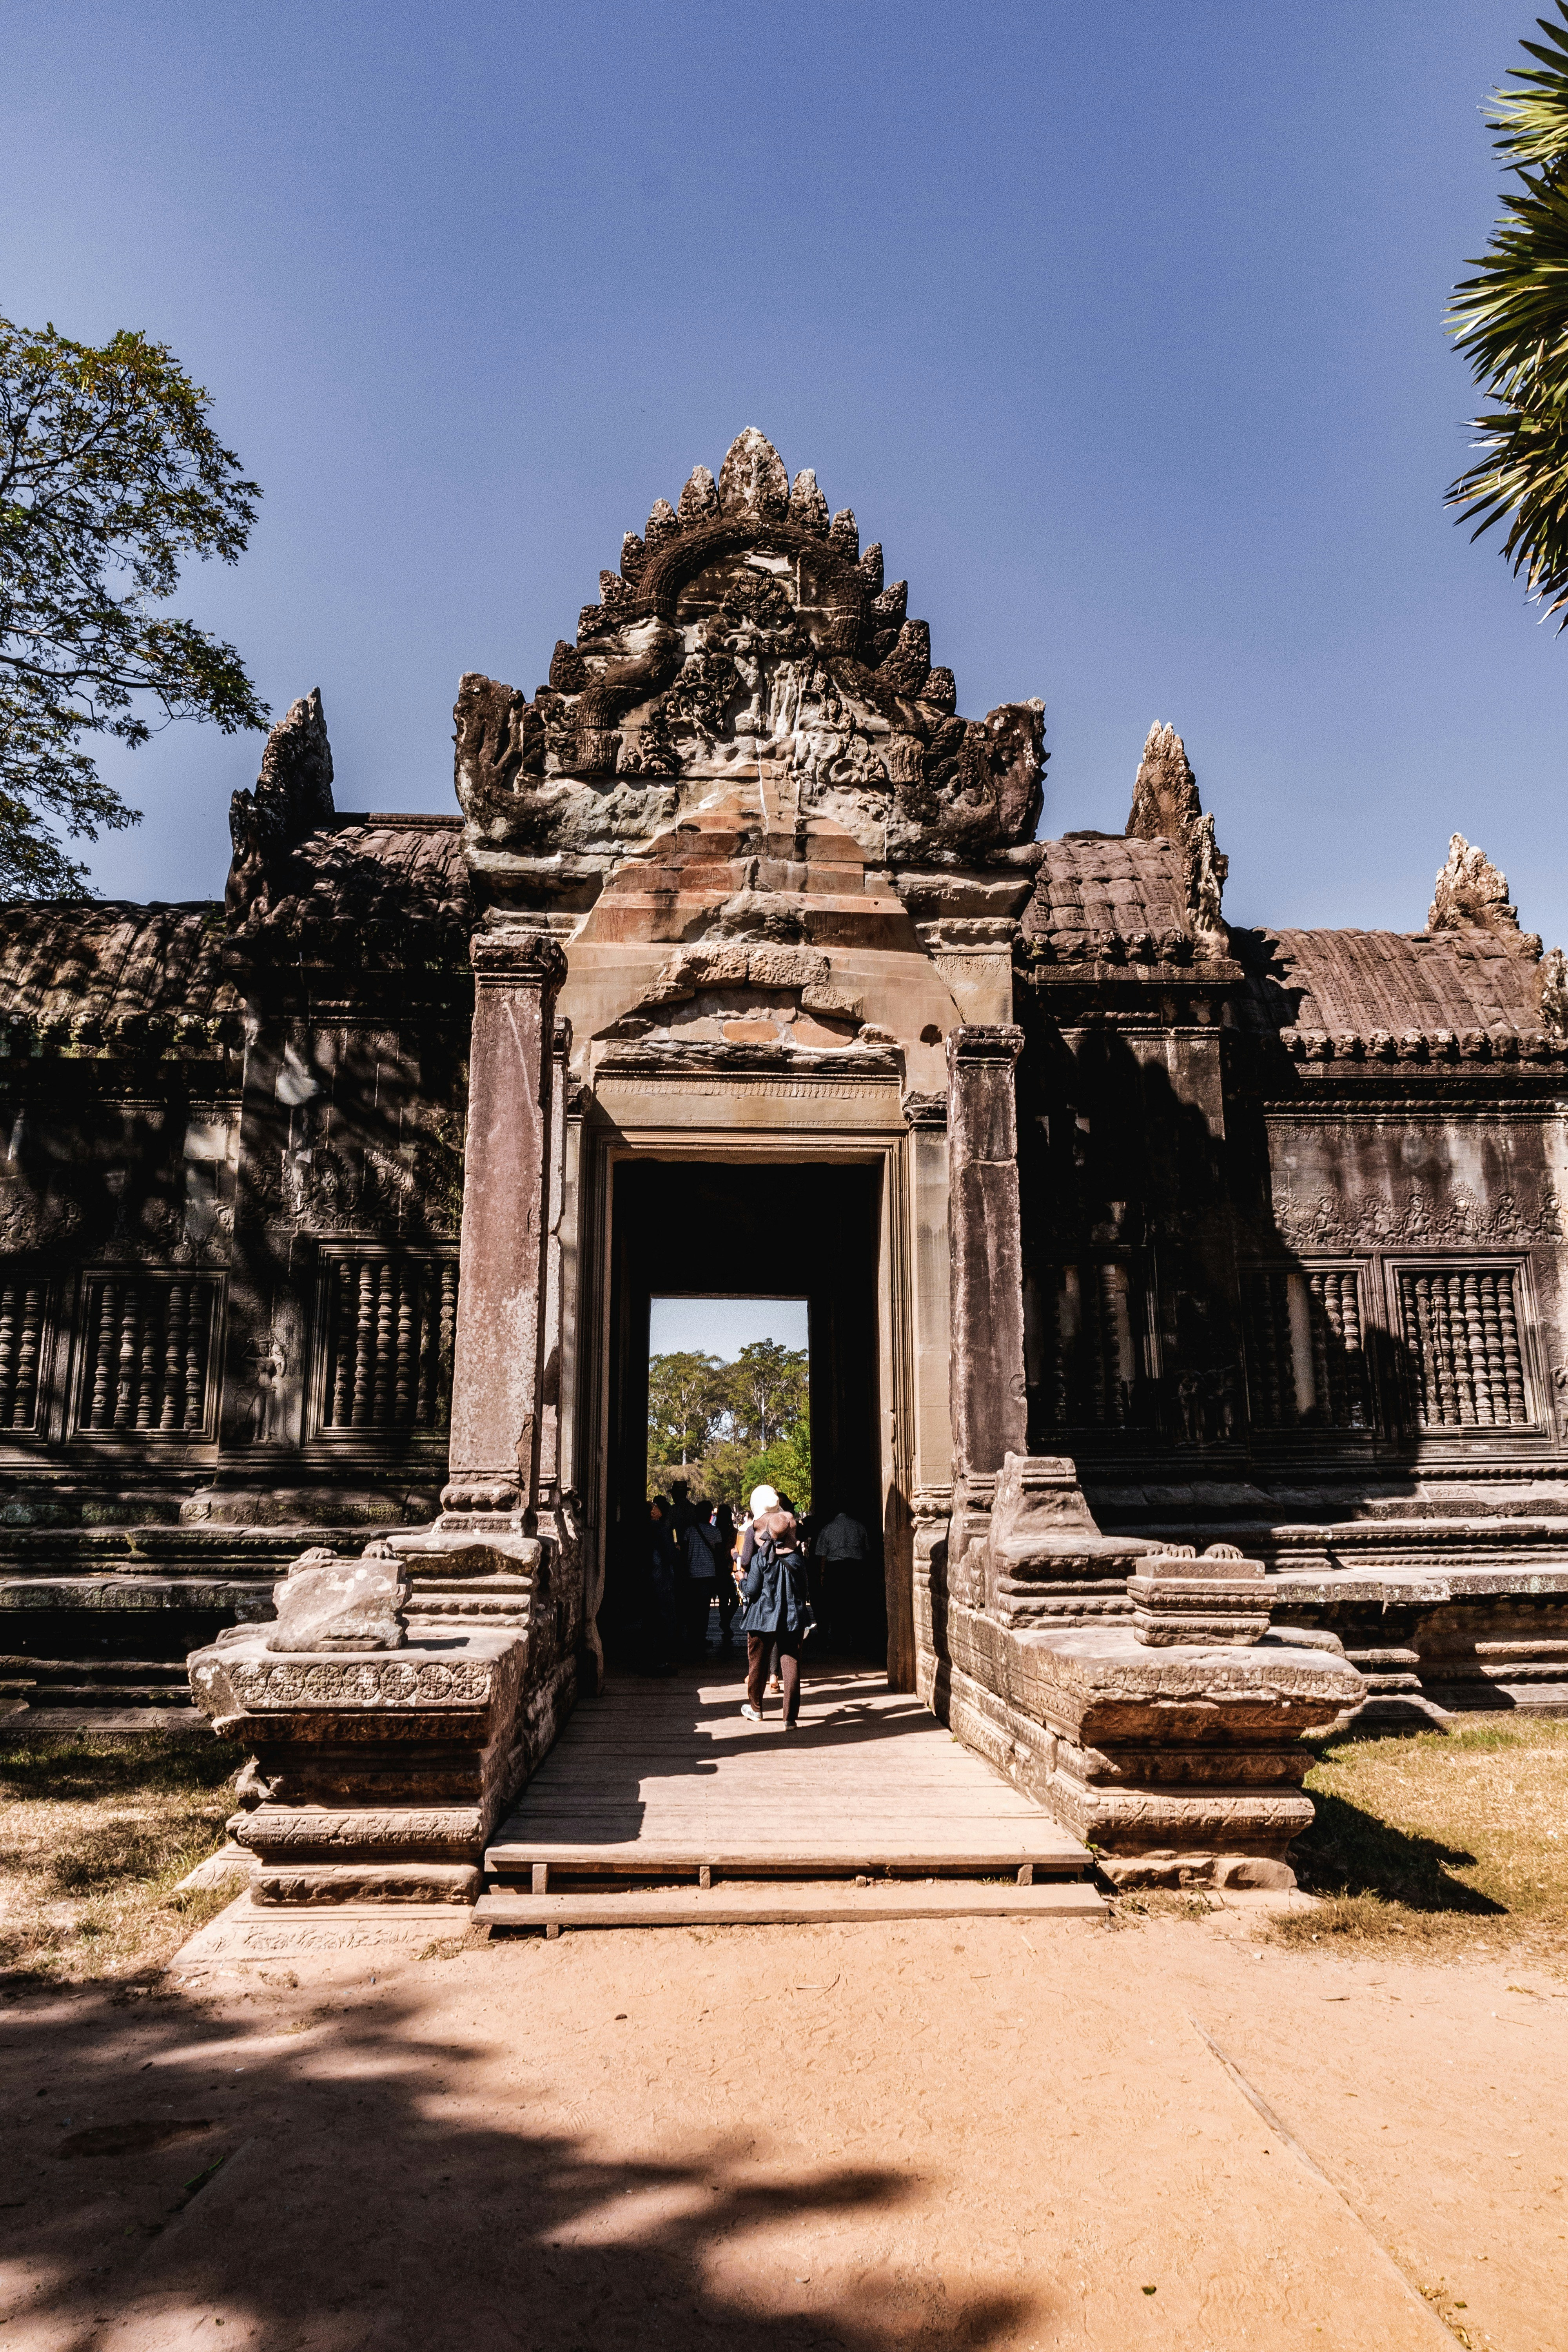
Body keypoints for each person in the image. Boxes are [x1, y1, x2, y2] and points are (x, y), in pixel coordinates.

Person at [734, 1483, 811, 1729]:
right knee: (791, 1665)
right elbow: (804, 1590)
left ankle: (756, 1709)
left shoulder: (759, 1559)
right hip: (792, 1617)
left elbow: (751, 1590)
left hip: (761, 1616)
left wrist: (741, 1580)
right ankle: (789, 1717)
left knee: (757, 1664)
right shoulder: (797, 1561)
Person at [811, 1501, 871, 1648]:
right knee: (856, 1602)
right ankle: (857, 1637)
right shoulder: (859, 1527)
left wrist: (823, 1574)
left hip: (836, 1568)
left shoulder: (828, 1529)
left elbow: (823, 1555)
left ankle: (840, 1638)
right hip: (856, 1567)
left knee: (836, 1603)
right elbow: (867, 1549)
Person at [681, 1500, 719, 1660]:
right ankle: (701, 1638)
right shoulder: (715, 1532)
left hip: (692, 1574)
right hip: (709, 1574)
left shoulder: (689, 1531)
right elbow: (718, 1555)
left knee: (692, 1608)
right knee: (704, 1609)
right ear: (710, 1514)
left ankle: (692, 1637)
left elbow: (683, 1551)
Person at [646, 1495, 678, 1673]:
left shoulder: (641, 1529)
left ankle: (649, 1660)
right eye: (655, 1506)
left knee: (650, 1620)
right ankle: (660, 1662)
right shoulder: (662, 1530)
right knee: (665, 1620)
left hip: (647, 1578)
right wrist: (676, 1551)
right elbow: (670, 1556)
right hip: (661, 1578)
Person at [711, 1501, 739, 1653]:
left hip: (731, 1570)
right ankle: (726, 1627)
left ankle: (725, 1622)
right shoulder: (716, 1532)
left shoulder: (733, 1532)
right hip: (722, 1570)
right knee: (724, 1599)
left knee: (734, 1600)